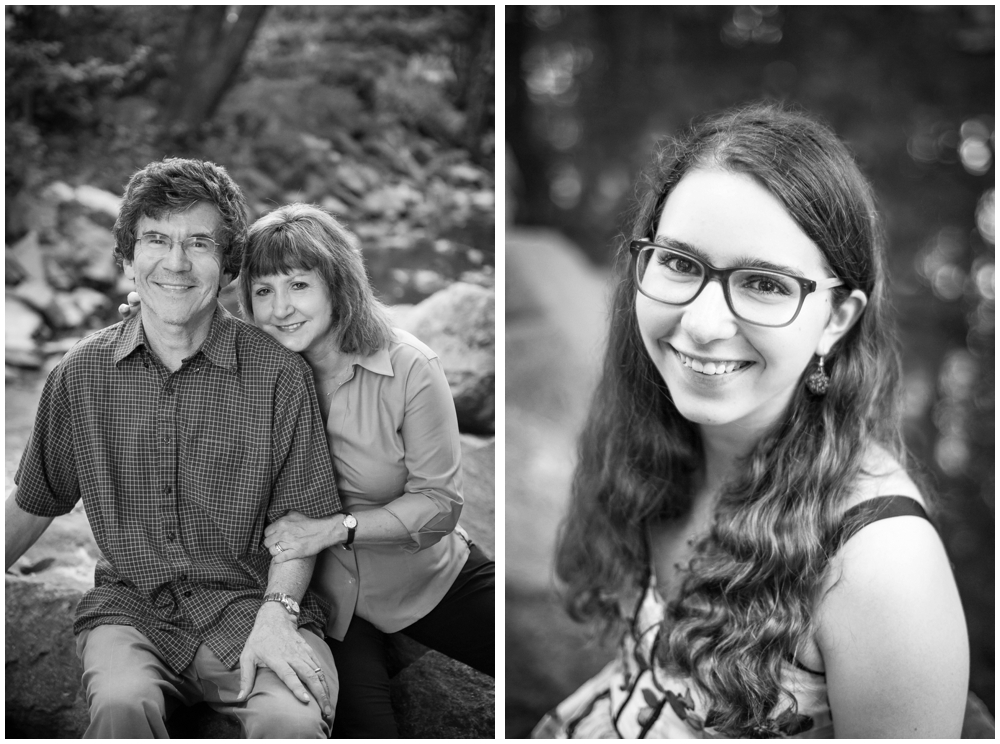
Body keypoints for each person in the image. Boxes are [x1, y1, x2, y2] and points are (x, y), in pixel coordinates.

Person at [532, 103, 970, 738]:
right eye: (679, 263)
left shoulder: (884, 568)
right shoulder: (654, 435)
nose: (704, 325)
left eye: (764, 283)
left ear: (838, 319)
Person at [123, 202, 495, 737]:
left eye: (299, 285)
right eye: (263, 291)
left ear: (338, 285)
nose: (280, 310)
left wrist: (333, 528)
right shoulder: (248, 364)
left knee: (535, 650)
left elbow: (439, 503)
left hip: (427, 580)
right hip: (322, 602)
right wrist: (155, 310)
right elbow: (177, 344)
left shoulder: (409, 367)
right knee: (364, 727)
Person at [5, 158, 340, 738]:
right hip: (131, 610)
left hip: (250, 605)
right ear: (128, 259)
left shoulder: (278, 376)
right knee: (120, 705)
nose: (176, 263)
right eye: (156, 239)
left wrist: (278, 612)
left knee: (292, 723)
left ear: (229, 264)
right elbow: (37, 500)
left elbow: (303, 521)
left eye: (200, 243)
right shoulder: (81, 374)